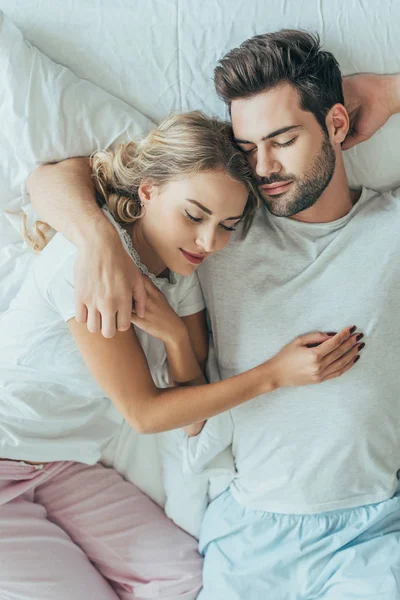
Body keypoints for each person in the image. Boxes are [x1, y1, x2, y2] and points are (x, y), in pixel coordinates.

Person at [27, 33, 400, 599]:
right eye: (249, 147)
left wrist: (389, 90)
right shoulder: (221, 229)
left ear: (339, 126)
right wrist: (98, 240)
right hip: (249, 534)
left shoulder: (390, 228)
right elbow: (46, 178)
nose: (264, 167)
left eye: (284, 139)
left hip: (370, 534)